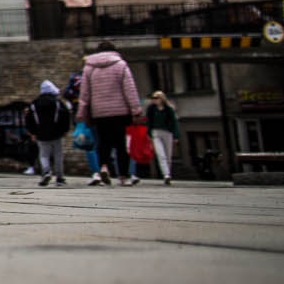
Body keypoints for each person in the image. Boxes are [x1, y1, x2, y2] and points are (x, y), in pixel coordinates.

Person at [77, 41, 143, 186]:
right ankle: (123, 176)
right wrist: (136, 109)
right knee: (120, 144)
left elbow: (84, 93)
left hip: (99, 112)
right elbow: (130, 89)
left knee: (103, 142)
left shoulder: (89, 68)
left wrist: (81, 113)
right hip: (120, 112)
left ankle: (103, 167)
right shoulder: (121, 65)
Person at [25, 79, 71, 186]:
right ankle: (59, 178)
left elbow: (29, 118)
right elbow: (65, 116)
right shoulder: (57, 103)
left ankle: (46, 172)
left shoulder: (34, 104)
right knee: (58, 155)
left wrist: (32, 132)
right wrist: (64, 130)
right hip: (56, 133)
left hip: (40, 133)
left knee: (43, 155)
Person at [145, 91, 180, 185]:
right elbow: (148, 121)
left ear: (161, 99)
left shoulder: (169, 109)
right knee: (161, 154)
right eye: (153, 98)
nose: (154, 100)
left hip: (167, 132)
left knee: (168, 155)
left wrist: (176, 135)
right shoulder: (151, 109)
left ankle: (168, 173)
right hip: (156, 133)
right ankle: (166, 175)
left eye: (156, 98)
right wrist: (149, 133)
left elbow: (174, 122)